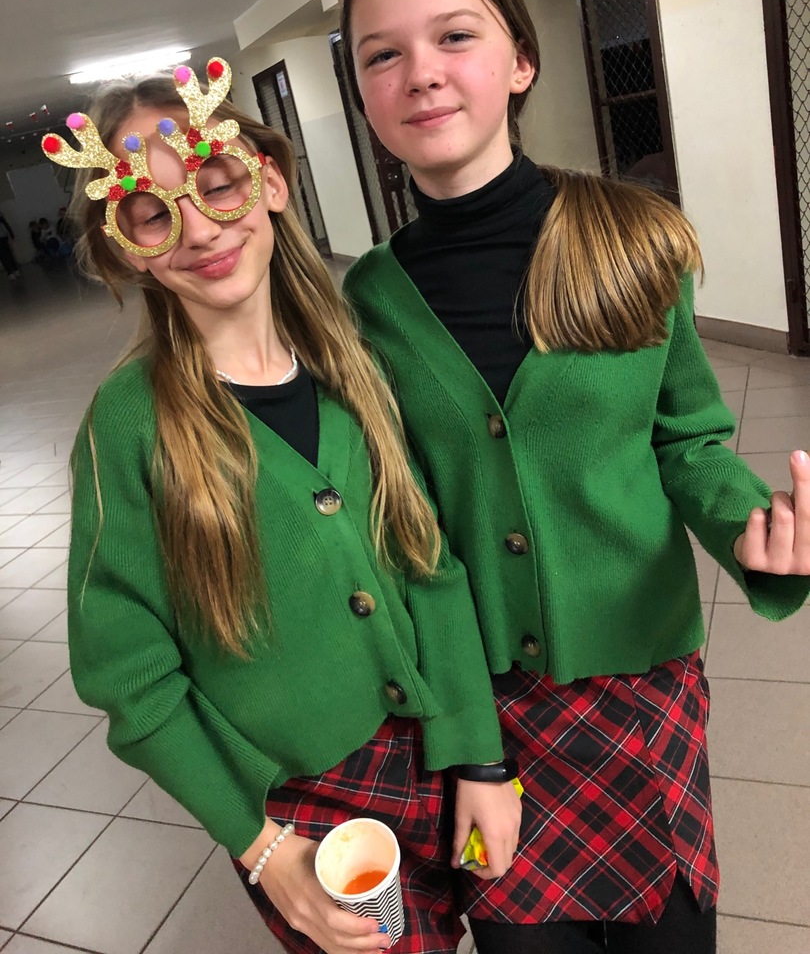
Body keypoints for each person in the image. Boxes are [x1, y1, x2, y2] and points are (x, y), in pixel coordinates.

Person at [340, 0, 810, 954]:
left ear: (521, 59)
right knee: (520, 943)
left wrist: (752, 528)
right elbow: (394, 525)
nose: (422, 72)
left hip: (642, 688)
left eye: (455, 36)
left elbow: (687, 440)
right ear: (365, 94)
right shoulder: (364, 306)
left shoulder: (634, 239)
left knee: (672, 936)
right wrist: (461, 741)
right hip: (480, 714)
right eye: (382, 54)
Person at [45, 57, 522, 954]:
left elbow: (428, 563)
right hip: (307, 815)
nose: (198, 228)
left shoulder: (353, 368)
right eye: (152, 212)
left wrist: (480, 754)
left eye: (216, 184)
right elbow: (129, 676)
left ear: (266, 182)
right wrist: (259, 845)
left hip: (439, 746)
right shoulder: (130, 425)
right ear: (124, 248)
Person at [0, 211, 20, 279]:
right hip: (3, 236)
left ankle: (14, 270)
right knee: (3, 256)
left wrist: (11, 235)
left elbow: (5, 225)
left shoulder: (1, 219)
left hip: (3, 237)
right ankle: (11, 272)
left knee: (8, 254)